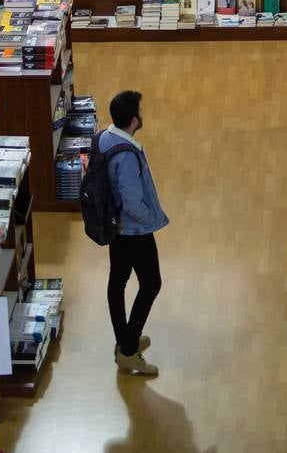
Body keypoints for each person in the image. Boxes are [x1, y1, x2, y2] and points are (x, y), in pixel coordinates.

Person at [103, 90, 168, 377]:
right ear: (133, 119)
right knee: (151, 283)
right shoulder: (127, 156)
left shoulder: (105, 138)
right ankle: (128, 349)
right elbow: (132, 202)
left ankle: (125, 339)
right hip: (134, 230)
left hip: (114, 226)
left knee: (117, 281)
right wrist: (151, 217)